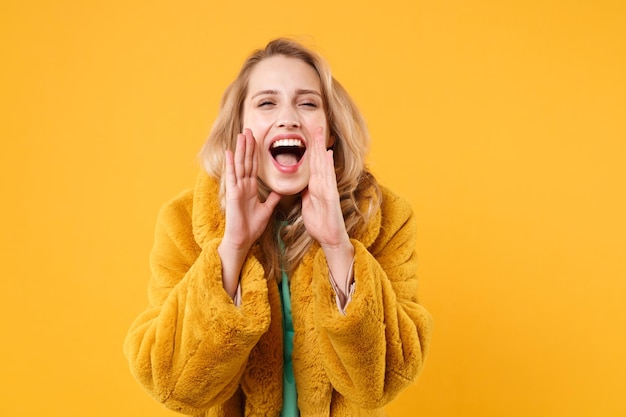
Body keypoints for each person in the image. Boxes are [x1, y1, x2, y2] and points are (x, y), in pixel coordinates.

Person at [124, 38, 432, 417]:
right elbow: (175, 387)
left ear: (331, 131)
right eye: (267, 103)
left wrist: (339, 247)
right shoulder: (183, 221)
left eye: (307, 103)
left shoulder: (385, 218)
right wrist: (232, 248)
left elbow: (381, 383)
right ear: (239, 129)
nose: (288, 118)